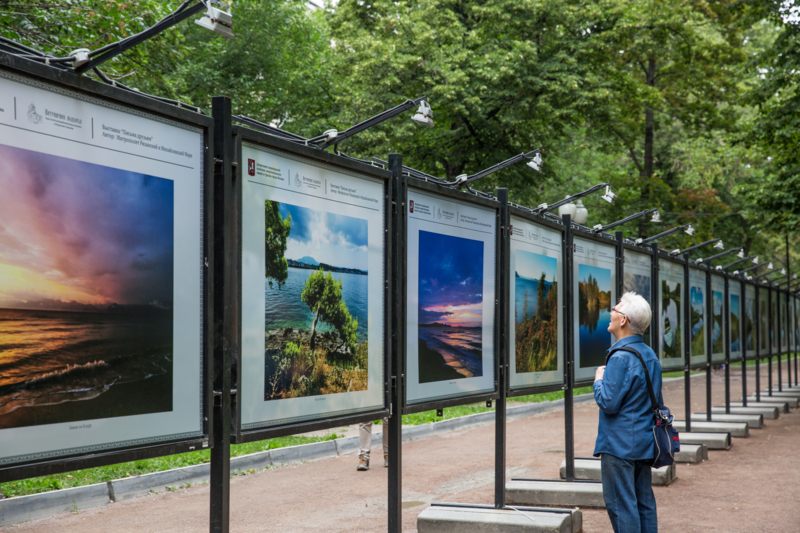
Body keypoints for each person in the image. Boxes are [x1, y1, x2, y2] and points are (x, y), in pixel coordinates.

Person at [593, 292, 662, 533]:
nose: (610, 312)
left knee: (621, 505)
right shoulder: (650, 355)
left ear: (623, 320)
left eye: (615, 308)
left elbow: (608, 402)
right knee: (644, 503)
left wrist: (598, 380)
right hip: (643, 443)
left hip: (619, 445)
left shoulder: (620, 357)